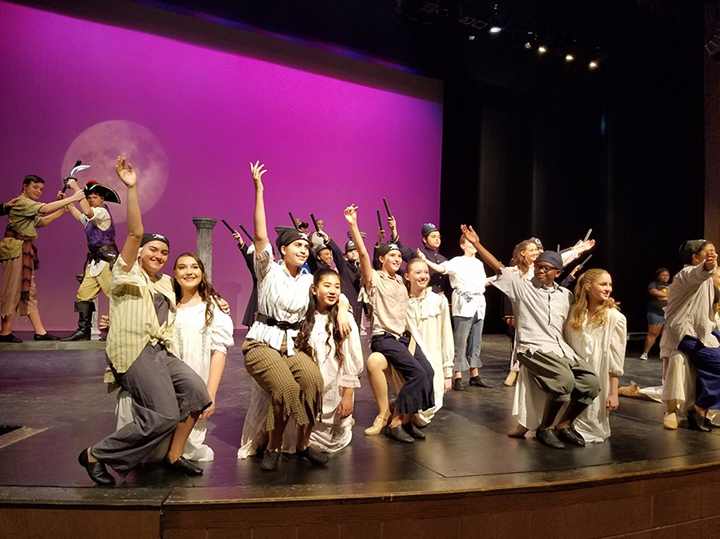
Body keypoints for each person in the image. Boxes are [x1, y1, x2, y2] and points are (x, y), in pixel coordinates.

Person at [77, 157, 212, 485]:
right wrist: (132, 187)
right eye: (153, 250)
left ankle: (173, 454)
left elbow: (193, 284)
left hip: (159, 351)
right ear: (138, 253)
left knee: (197, 393)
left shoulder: (165, 282)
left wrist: (215, 299)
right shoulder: (126, 270)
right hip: (133, 350)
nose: (159, 256)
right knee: (165, 414)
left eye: (164, 252)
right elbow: (135, 231)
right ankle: (96, 454)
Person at [241, 161, 351, 471]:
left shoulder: (307, 280)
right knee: (286, 389)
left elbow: (334, 293)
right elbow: (260, 234)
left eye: (306, 246)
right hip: (262, 342)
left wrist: (342, 306)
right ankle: (273, 449)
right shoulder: (268, 270)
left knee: (313, 382)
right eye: (297, 245)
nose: (304, 249)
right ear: (283, 249)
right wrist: (259, 190)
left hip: (293, 344)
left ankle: (303, 445)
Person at [461, 224, 600, 449]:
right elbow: (498, 267)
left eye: (547, 268)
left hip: (561, 349)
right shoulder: (522, 288)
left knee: (592, 384)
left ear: (558, 272)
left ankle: (564, 425)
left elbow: (583, 310)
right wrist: (476, 243)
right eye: (539, 267)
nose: (541, 271)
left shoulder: (565, 296)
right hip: (532, 348)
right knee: (564, 381)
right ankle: (545, 429)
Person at [346, 204, 435, 443]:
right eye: (391, 256)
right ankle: (395, 423)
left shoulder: (401, 282)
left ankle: (408, 418)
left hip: (404, 338)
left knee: (428, 372)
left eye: (399, 256)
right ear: (382, 259)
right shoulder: (374, 278)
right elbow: (364, 256)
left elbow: (419, 278)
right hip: (384, 338)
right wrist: (353, 225)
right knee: (416, 373)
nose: (397, 259)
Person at [0, 175, 85, 343]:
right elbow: (45, 209)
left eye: (41, 189)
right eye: (35, 187)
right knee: (11, 289)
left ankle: (40, 331)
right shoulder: (21, 202)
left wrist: (63, 209)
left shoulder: (29, 206)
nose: (38, 191)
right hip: (15, 248)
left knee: (30, 291)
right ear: (25, 186)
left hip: (24, 249)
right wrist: (74, 198)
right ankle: (5, 331)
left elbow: (41, 222)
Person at [294, 269, 364, 452]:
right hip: (310, 387)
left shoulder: (344, 319)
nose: (333, 291)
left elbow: (351, 358)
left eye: (337, 287)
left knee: (330, 441)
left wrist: (348, 394)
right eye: (327, 286)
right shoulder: (303, 316)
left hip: (335, 388)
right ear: (314, 289)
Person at [420, 233, 492, 391]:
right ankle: (457, 375)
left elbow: (482, 282)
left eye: (476, 242)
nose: (473, 245)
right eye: (470, 242)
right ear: (462, 245)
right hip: (463, 304)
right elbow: (441, 268)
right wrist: (425, 260)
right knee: (461, 340)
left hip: (479, 304)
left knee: (476, 340)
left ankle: (474, 374)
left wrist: (498, 277)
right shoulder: (457, 261)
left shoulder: (479, 264)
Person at [660, 240, 719, 431]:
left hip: (704, 331)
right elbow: (697, 273)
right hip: (688, 333)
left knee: (709, 369)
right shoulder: (685, 275)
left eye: (714, 253)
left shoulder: (706, 279)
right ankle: (699, 409)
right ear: (695, 258)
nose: (714, 256)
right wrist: (707, 266)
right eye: (708, 253)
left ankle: (702, 412)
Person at [564, 269, 627, 442]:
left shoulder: (614, 317)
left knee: (590, 426)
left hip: (598, 375)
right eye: (603, 284)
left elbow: (616, 359)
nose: (608, 289)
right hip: (574, 373)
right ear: (588, 286)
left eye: (610, 285)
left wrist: (614, 393)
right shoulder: (574, 313)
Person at [62, 181, 122, 341]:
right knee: (84, 294)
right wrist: (68, 202)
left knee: (116, 296)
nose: (90, 200)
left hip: (107, 260)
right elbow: (81, 217)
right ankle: (83, 331)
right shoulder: (92, 215)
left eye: (94, 197)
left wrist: (76, 189)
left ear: (102, 199)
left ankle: (118, 330)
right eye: (88, 198)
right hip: (95, 262)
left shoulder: (101, 212)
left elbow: (87, 213)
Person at [640, 268, 670, 360]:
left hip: (667, 313)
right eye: (663, 275)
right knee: (653, 333)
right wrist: (666, 295)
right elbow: (654, 292)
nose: (665, 277)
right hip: (655, 312)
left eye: (667, 275)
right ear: (658, 276)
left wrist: (662, 296)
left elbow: (672, 295)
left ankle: (663, 353)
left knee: (665, 334)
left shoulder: (670, 286)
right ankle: (645, 353)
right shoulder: (653, 284)